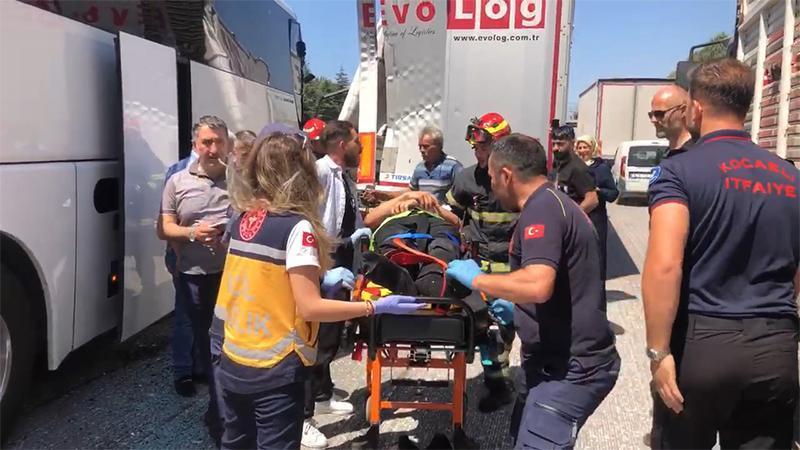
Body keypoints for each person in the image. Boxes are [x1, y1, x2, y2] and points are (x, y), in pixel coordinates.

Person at [214, 132, 422, 450]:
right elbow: (310, 307)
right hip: (276, 368)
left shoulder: (244, 218)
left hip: (233, 359)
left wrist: (318, 278)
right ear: (301, 172)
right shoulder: (297, 228)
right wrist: (374, 307)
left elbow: (259, 281)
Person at [643, 58, 799, 449]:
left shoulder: (679, 171)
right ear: (746, 106)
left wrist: (659, 352)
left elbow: (665, 265)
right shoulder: (791, 176)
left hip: (703, 344)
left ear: (695, 107)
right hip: (775, 345)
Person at [446, 133, 620, 449]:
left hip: (570, 368)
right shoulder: (552, 202)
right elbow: (561, 284)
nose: (491, 186)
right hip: (550, 361)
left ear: (506, 175)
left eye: (492, 177)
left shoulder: (543, 210)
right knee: (520, 434)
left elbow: (538, 284)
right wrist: (520, 310)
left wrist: (478, 280)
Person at [158, 115, 231, 437]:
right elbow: (164, 228)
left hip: (231, 276)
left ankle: (222, 410)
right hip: (194, 277)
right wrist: (192, 234)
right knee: (204, 339)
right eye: (206, 142)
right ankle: (216, 410)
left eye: (218, 142)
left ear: (227, 144)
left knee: (227, 344)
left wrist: (227, 231)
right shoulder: (177, 181)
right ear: (195, 145)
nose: (213, 149)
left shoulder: (239, 181)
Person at [304, 120, 372, 447]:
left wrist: (355, 234)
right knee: (313, 340)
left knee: (330, 337)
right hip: (322, 259)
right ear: (343, 144)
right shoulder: (319, 172)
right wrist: (321, 268)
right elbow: (307, 219)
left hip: (340, 256)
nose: (362, 147)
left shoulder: (343, 175)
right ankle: (302, 418)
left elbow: (346, 216)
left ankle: (321, 395)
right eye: (357, 141)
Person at [445, 112, 518, 412]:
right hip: (477, 265)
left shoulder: (517, 180)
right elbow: (453, 213)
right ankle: (496, 385)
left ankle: (505, 380)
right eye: (474, 147)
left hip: (511, 268)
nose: (477, 152)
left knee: (506, 327)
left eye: (483, 146)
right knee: (482, 328)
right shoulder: (466, 178)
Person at [159, 147, 200, 397]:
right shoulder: (177, 172)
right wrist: (176, 255)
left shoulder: (223, 171)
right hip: (183, 253)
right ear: (196, 143)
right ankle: (183, 371)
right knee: (186, 313)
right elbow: (167, 219)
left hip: (209, 257)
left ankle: (198, 366)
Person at [368, 126, 463, 206]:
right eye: (420, 146)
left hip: (442, 217)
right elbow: (411, 192)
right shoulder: (420, 168)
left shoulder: (453, 166)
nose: (421, 150)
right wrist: (383, 195)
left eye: (426, 146)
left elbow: (462, 193)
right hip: (421, 215)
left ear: (438, 146)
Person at [575, 135, 618, 281]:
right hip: (576, 218)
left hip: (596, 219)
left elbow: (613, 194)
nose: (582, 150)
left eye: (585, 147)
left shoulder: (601, 168)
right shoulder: (573, 167)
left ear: (592, 148)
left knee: (597, 255)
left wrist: (599, 191)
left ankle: (598, 286)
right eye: (580, 147)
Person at [550, 125, 599, 214]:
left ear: (572, 144)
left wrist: (572, 217)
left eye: (560, 144)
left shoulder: (578, 167)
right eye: (554, 144)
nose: (555, 148)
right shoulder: (557, 165)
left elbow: (592, 200)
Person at [649, 85, 693, 159]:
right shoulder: (667, 154)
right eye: (651, 114)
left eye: (659, 114)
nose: (653, 120)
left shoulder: (695, 154)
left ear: (683, 111)